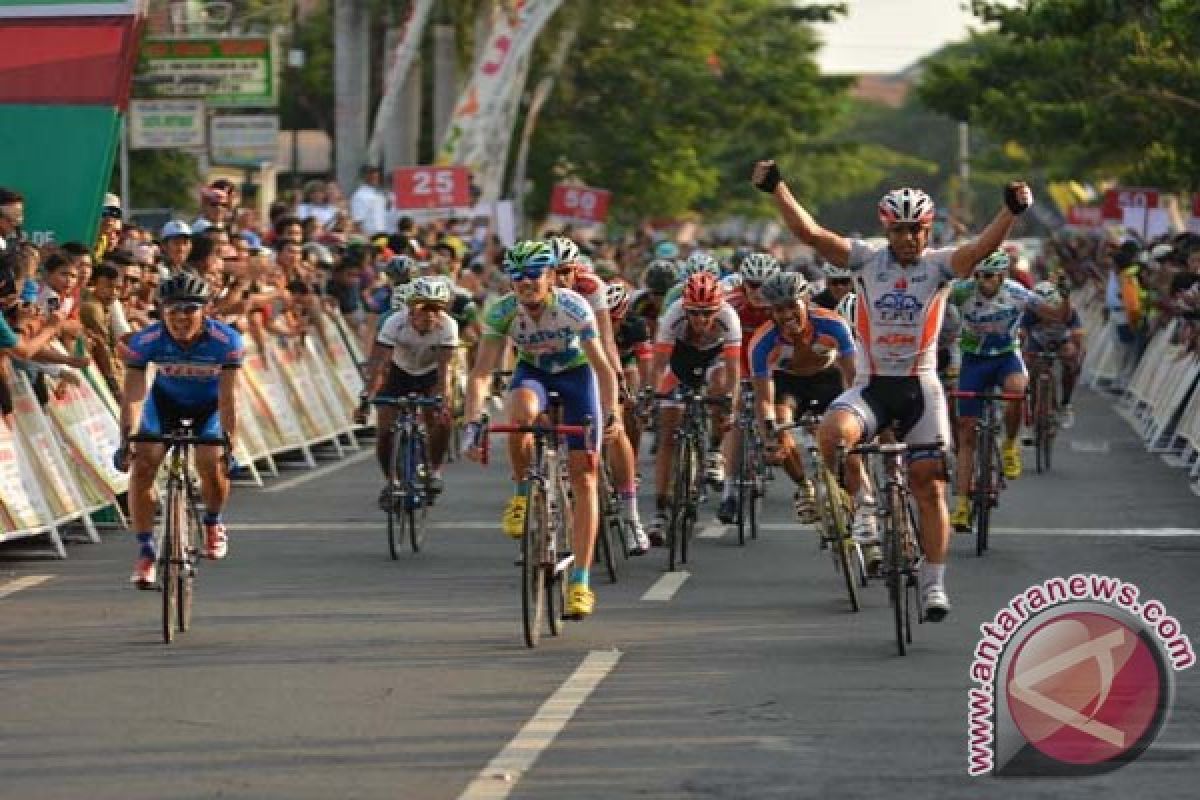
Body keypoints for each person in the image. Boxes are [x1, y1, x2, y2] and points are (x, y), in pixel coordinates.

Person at [752, 156, 1036, 621]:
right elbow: (813, 235)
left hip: (921, 390)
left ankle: (934, 583)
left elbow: (984, 247)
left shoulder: (942, 266)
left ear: (928, 228)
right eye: (900, 229)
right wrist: (778, 187)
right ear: (887, 229)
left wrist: (1011, 210)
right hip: (872, 387)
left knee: (929, 486)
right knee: (830, 434)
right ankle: (863, 505)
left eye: (917, 229)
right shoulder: (865, 260)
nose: (909, 238)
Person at [462, 241, 621, 619]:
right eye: (517, 277)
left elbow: (602, 368)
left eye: (534, 275)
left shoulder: (573, 306)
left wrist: (611, 412)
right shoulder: (502, 311)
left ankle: (580, 581)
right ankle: (523, 492)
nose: (526, 283)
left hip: (576, 377)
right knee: (521, 412)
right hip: (532, 373)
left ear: (550, 277)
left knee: (585, 478)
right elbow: (482, 372)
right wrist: (472, 422)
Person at [114, 273, 241, 588]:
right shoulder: (146, 340)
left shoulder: (226, 342)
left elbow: (228, 399)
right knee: (143, 464)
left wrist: (230, 445)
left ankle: (212, 521)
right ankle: (145, 552)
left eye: (189, 310)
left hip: (209, 408)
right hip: (165, 405)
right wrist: (126, 439)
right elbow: (133, 395)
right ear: (161, 311)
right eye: (172, 310)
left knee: (211, 462)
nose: (180, 318)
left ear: (205, 311)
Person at [946, 250, 1064, 530]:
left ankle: (1010, 444)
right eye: (977, 276)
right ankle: (961, 504)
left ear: (1001, 276)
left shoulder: (1017, 292)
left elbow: (1057, 315)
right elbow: (932, 301)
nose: (981, 282)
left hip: (1005, 356)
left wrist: (1066, 296)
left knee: (1016, 390)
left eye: (987, 276)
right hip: (973, 360)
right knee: (966, 433)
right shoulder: (963, 292)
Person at [749, 271, 857, 526]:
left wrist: (858, 414)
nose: (786, 315)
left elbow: (853, 377)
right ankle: (804, 485)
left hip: (828, 379)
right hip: (790, 385)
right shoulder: (762, 342)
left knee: (849, 441)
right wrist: (769, 436)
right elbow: (764, 399)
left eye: (791, 306)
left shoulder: (832, 324)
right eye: (778, 309)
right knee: (779, 423)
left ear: (805, 301)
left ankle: (860, 506)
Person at [643, 272, 740, 544]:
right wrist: (652, 395)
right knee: (668, 433)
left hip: (714, 358)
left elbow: (733, 371)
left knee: (721, 386)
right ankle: (661, 509)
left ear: (718, 308)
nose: (700, 319)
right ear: (685, 307)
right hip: (681, 359)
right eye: (694, 313)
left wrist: (729, 404)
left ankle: (713, 450)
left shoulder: (729, 318)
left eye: (707, 313)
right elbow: (659, 365)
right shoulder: (674, 314)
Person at [361, 276, 457, 503]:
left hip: (430, 374)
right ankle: (391, 482)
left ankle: (434, 470)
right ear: (411, 309)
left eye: (437, 309)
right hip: (397, 372)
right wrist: (366, 398)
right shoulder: (394, 322)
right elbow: (379, 365)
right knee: (385, 429)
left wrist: (442, 400)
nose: (430, 315)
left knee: (441, 420)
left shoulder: (448, 326)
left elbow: (445, 371)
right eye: (424, 309)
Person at [1021, 280, 1084, 430]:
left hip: (1061, 341)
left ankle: (1066, 403)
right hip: (1038, 342)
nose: (1046, 313)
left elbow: (1078, 335)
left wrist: (1076, 356)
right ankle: (1033, 409)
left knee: (1071, 360)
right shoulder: (1029, 312)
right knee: (1030, 368)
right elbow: (1021, 335)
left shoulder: (1068, 311)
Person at [350, 165, 390, 237]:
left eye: (376, 175)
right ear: (365, 176)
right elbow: (357, 222)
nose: (375, 177)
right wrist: (366, 240)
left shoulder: (380, 194)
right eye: (371, 174)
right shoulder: (359, 196)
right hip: (370, 238)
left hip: (384, 235)